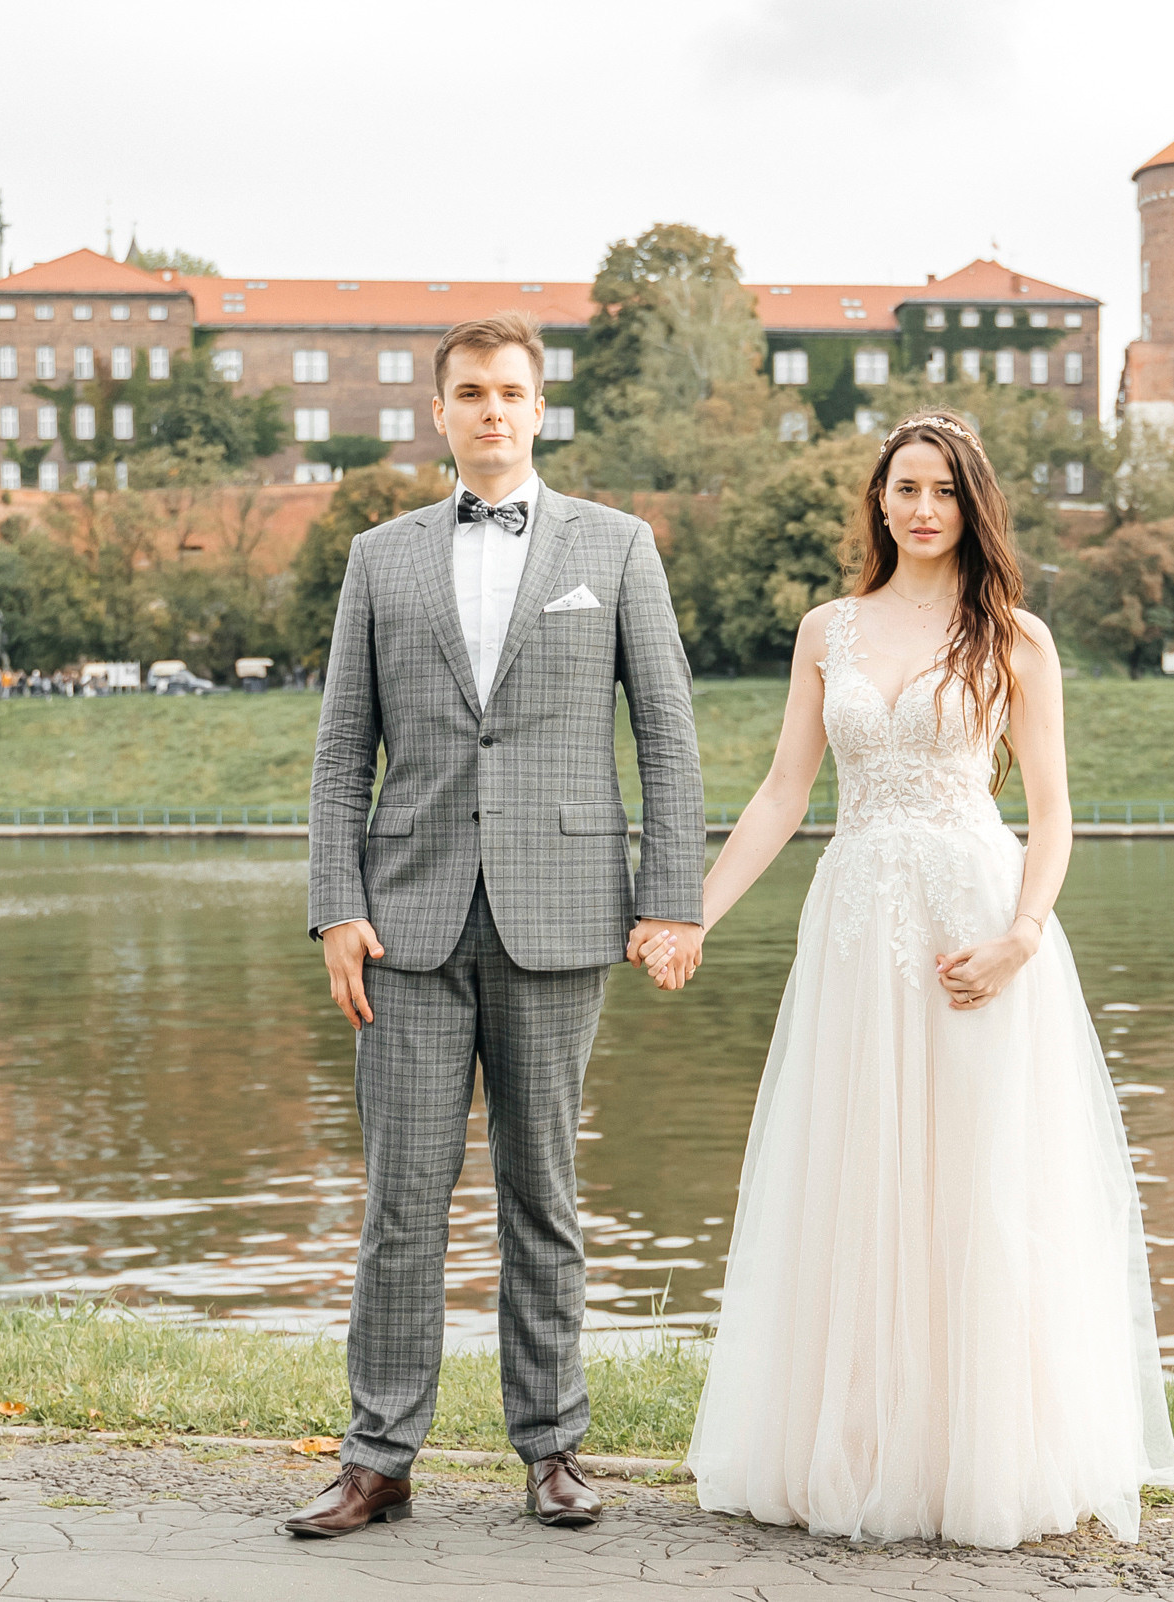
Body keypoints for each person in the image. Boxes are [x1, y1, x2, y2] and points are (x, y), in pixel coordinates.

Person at [650, 410, 1174, 1549]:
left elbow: (1052, 812)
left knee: (979, 1182)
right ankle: (858, 1449)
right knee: (857, 1177)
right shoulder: (826, 631)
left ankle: (986, 1457)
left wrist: (1024, 935)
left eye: (942, 489)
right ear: (879, 503)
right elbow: (786, 794)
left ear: (970, 501)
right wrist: (693, 914)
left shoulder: (1015, 637)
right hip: (857, 926)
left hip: (974, 926)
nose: (923, 507)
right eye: (904, 489)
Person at [294, 313, 705, 1539]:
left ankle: (554, 1449)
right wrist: (336, 910)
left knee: (545, 1193)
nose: (490, 410)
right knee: (401, 1204)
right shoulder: (380, 557)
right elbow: (336, 757)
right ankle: (378, 1458)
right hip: (405, 926)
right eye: (469, 391)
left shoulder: (618, 548)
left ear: (540, 408)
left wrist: (671, 899)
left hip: (564, 916)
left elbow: (669, 739)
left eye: (511, 392)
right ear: (439, 412)